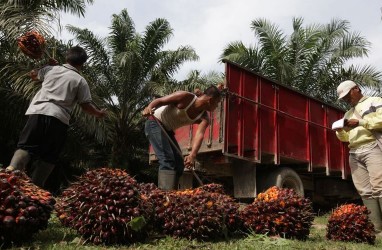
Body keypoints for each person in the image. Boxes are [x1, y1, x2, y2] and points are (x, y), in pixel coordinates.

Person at [6, 46, 107, 188]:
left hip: (38, 111)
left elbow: (33, 75)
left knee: (26, 146)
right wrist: (98, 113)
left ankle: (12, 170)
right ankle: (36, 187)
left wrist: (47, 65)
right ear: (82, 64)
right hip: (59, 119)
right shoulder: (80, 80)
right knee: (49, 156)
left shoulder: (51, 70)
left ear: (67, 57)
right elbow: (85, 106)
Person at [142, 85, 222, 190]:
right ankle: (165, 196)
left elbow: (199, 135)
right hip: (154, 122)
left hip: (167, 130)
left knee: (179, 164)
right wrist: (149, 107)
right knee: (167, 159)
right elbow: (160, 101)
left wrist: (192, 155)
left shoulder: (204, 118)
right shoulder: (185, 97)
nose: (216, 106)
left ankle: (172, 193)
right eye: (217, 103)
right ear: (210, 100)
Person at [335, 80, 382, 233]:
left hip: (373, 147)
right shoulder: (348, 114)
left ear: (356, 89)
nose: (347, 99)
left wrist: (361, 122)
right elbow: (345, 138)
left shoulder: (375, 101)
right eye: (344, 98)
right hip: (354, 152)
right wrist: (341, 130)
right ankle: (376, 228)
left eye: (348, 95)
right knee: (364, 191)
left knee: (379, 187)